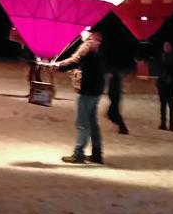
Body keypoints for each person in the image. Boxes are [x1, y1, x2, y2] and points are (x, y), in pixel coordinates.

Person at [54, 30, 105, 164]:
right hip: (97, 88)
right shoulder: (98, 45)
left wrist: (58, 66)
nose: (80, 34)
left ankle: (79, 154)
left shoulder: (87, 46)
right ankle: (97, 153)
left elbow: (75, 60)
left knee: (82, 123)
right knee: (93, 123)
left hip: (87, 89)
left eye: (83, 31)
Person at [103, 37, 131, 135]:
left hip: (115, 94)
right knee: (112, 112)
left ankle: (123, 128)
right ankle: (121, 127)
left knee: (113, 113)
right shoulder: (116, 73)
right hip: (115, 94)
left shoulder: (115, 75)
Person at [157, 41, 173, 131]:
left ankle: (171, 125)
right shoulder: (161, 56)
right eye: (164, 46)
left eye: (168, 46)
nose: (166, 47)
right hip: (162, 84)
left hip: (171, 85)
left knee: (171, 104)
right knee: (162, 105)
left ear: (171, 47)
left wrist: (172, 78)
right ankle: (163, 123)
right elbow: (158, 68)